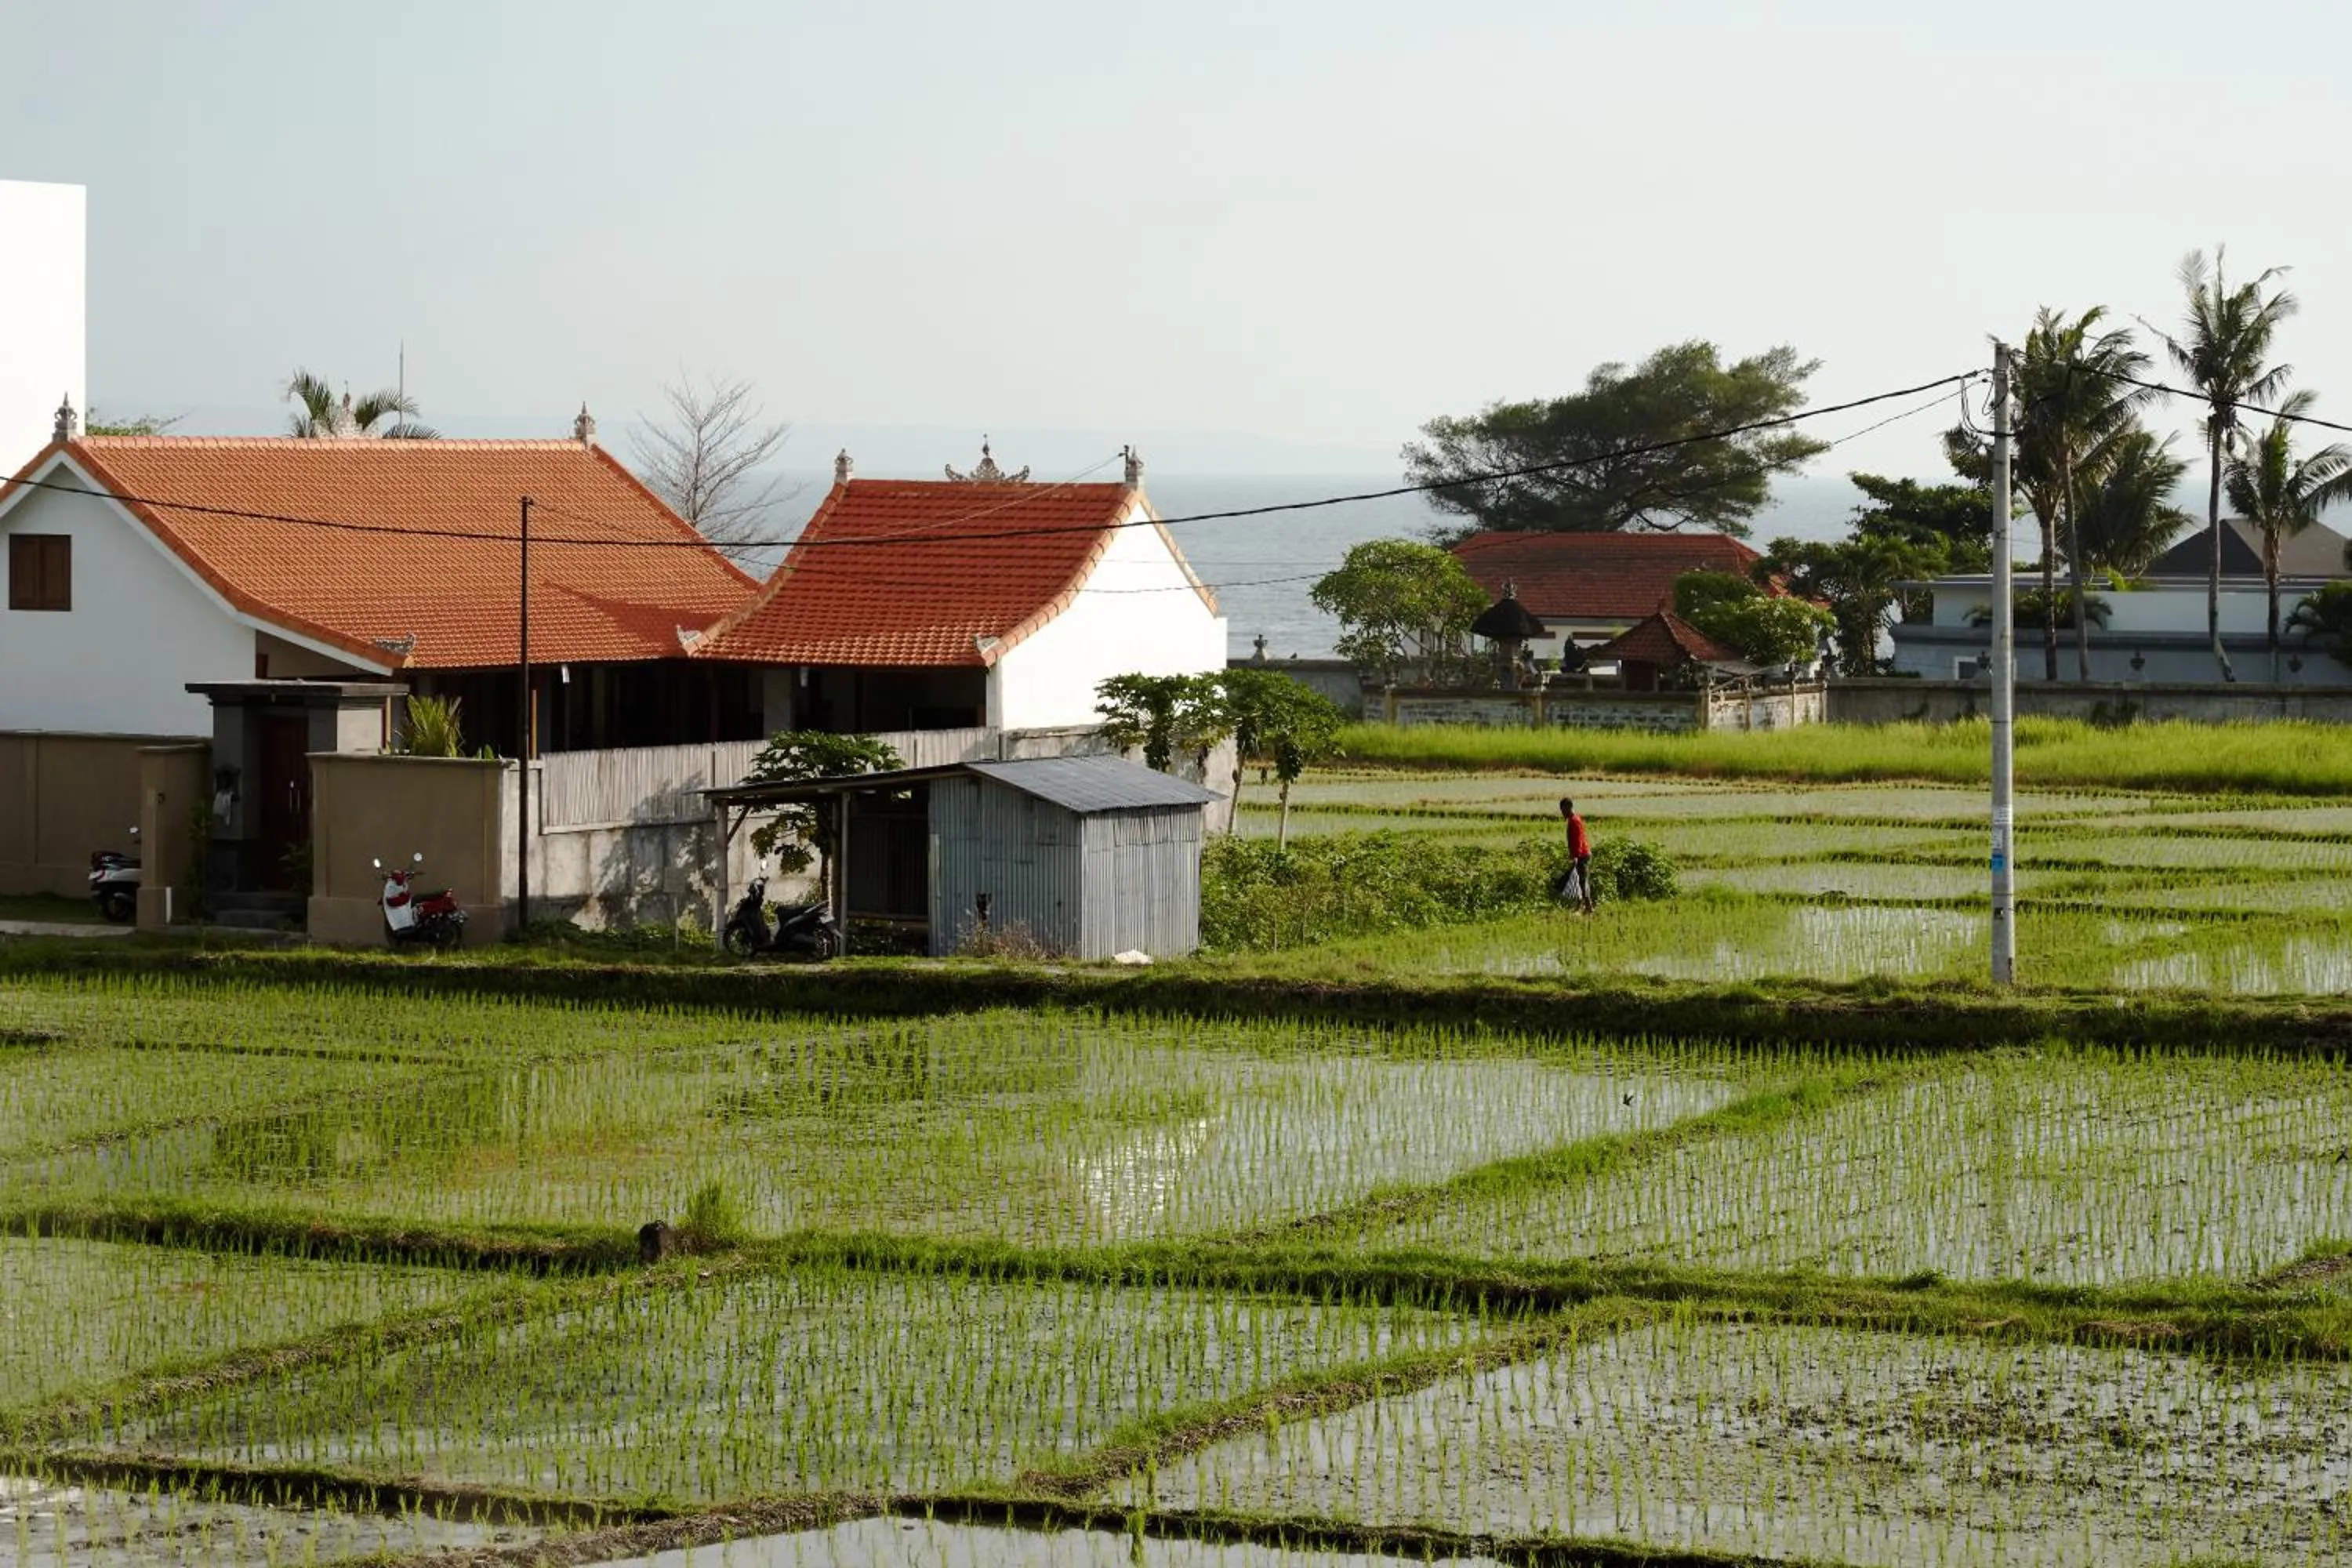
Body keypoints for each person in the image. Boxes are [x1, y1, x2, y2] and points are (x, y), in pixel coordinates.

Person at [1557, 797, 1595, 913]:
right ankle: (1581, 906)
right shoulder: (1574, 819)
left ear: (1568, 807)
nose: (1562, 812)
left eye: (1563, 810)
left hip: (1582, 855)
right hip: (1581, 854)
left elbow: (1578, 840)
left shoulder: (1574, 821)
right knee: (1578, 881)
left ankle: (1589, 907)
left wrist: (1576, 857)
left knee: (1582, 882)